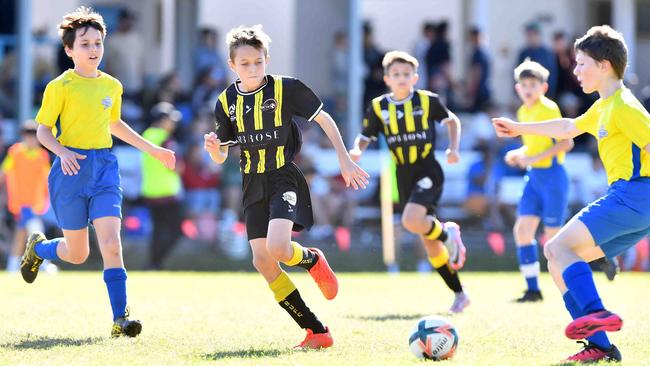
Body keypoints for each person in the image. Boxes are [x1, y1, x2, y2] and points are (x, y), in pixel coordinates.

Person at [203, 25, 368, 349]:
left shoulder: (286, 89)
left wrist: (344, 159)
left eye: (258, 61)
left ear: (267, 60)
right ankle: (316, 331)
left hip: (283, 177)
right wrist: (215, 150)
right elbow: (223, 154)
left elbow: (324, 119)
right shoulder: (225, 102)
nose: (253, 68)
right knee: (262, 261)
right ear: (232, 65)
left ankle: (312, 260)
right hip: (252, 182)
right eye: (245, 63)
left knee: (279, 249)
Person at [492, 25, 650, 362]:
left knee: (556, 246)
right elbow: (567, 127)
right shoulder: (604, 106)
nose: (575, 71)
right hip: (633, 201)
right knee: (559, 259)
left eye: (581, 64)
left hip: (635, 195)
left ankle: (598, 313)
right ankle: (601, 347)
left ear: (604, 65)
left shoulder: (624, 106)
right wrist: (518, 128)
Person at [20, 6, 175, 338]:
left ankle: (121, 319)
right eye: (85, 43)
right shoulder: (59, 86)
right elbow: (43, 132)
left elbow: (115, 124)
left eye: (98, 43)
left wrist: (154, 150)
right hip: (70, 170)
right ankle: (39, 249)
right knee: (77, 254)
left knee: (112, 243)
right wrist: (61, 153)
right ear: (69, 50)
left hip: (104, 169)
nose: (93, 50)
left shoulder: (112, 86)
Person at [349, 51, 470, 314]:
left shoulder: (427, 101)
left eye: (406, 74)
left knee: (410, 220)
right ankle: (459, 293)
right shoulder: (379, 107)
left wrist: (453, 148)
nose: (402, 79)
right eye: (396, 74)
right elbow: (365, 134)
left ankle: (449, 233)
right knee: (430, 243)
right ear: (387, 79)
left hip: (427, 168)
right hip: (402, 174)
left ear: (415, 77)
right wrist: (357, 150)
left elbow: (452, 120)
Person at [504, 59, 573, 302]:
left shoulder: (549, 109)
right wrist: (520, 154)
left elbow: (566, 143)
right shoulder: (523, 112)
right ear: (517, 88)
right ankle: (532, 290)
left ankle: (574, 286)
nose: (528, 88)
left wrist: (531, 156)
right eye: (524, 84)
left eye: (533, 83)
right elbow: (535, 144)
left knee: (554, 240)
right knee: (522, 231)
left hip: (553, 177)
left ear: (543, 87)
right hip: (534, 178)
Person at [1, 120, 51, 272]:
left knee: (22, 233)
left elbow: (47, 177)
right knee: (36, 230)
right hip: (19, 202)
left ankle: (13, 265)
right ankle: (43, 263)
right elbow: (4, 172)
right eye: (28, 136)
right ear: (23, 136)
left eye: (34, 136)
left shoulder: (42, 155)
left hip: (35, 202)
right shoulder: (15, 152)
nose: (31, 139)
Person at [141, 102, 183, 270]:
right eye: (171, 119)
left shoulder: (146, 135)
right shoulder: (165, 138)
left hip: (150, 191)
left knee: (158, 232)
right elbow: (177, 167)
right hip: (167, 192)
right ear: (163, 120)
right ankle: (155, 263)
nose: (173, 123)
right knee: (175, 231)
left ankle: (153, 263)